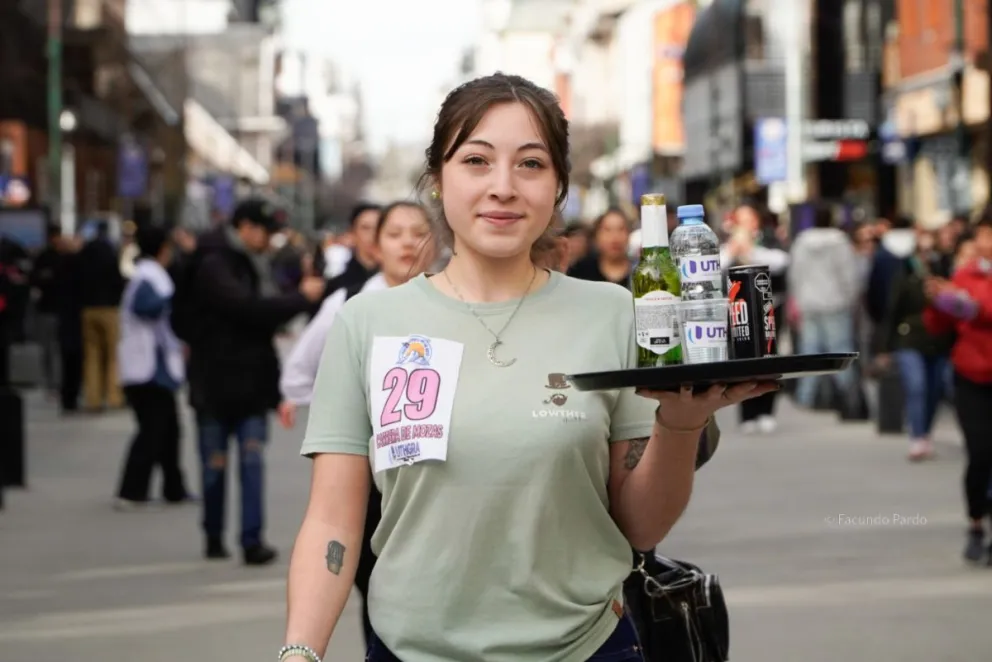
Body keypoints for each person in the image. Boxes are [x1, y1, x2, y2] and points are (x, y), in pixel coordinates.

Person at [280, 73, 775, 662]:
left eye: (531, 164)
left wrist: (681, 423)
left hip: (588, 649)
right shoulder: (368, 323)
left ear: (559, 185)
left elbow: (640, 526)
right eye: (476, 161)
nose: (503, 187)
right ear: (438, 180)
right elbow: (333, 523)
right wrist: (299, 652)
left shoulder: (614, 313)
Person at [278, 200, 433, 645]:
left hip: (433, 474)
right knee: (380, 591)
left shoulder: (460, 305)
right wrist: (341, 411)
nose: (407, 242)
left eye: (418, 232)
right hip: (371, 476)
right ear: (374, 244)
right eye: (395, 233)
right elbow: (298, 372)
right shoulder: (352, 306)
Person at [184, 198, 325, 565]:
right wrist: (300, 298)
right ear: (245, 227)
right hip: (214, 382)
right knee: (215, 466)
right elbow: (247, 308)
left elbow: (269, 307)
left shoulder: (252, 262)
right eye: (265, 231)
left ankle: (251, 540)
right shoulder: (214, 263)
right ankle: (214, 535)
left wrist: (300, 297)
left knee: (251, 462)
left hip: (251, 382)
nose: (269, 240)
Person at [923, 212, 992, 564]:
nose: (985, 243)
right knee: (980, 453)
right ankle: (976, 522)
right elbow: (938, 325)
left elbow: (981, 310)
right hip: (971, 377)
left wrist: (969, 305)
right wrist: (938, 301)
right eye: (982, 235)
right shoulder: (965, 275)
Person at [114, 226, 192, 508]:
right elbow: (145, 308)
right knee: (152, 431)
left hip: (155, 367)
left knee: (169, 430)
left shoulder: (148, 275)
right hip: (147, 368)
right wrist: (174, 301)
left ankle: (175, 488)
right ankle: (131, 490)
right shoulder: (149, 277)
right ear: (163, 250)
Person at [872, 229, 954, 461]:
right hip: (909, 338)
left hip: (939, 341)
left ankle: (924, 432)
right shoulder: (904, 275)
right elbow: (892, 311)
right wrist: (884, 347)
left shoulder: (944, 273)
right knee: (917, 386)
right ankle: (917, 436)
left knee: (934, 390)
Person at [567, 208, 633, 288]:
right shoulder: (580, 271)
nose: (615, 238)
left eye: (621, 229)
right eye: (607, 230)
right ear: (596, 236)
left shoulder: (640, 271)